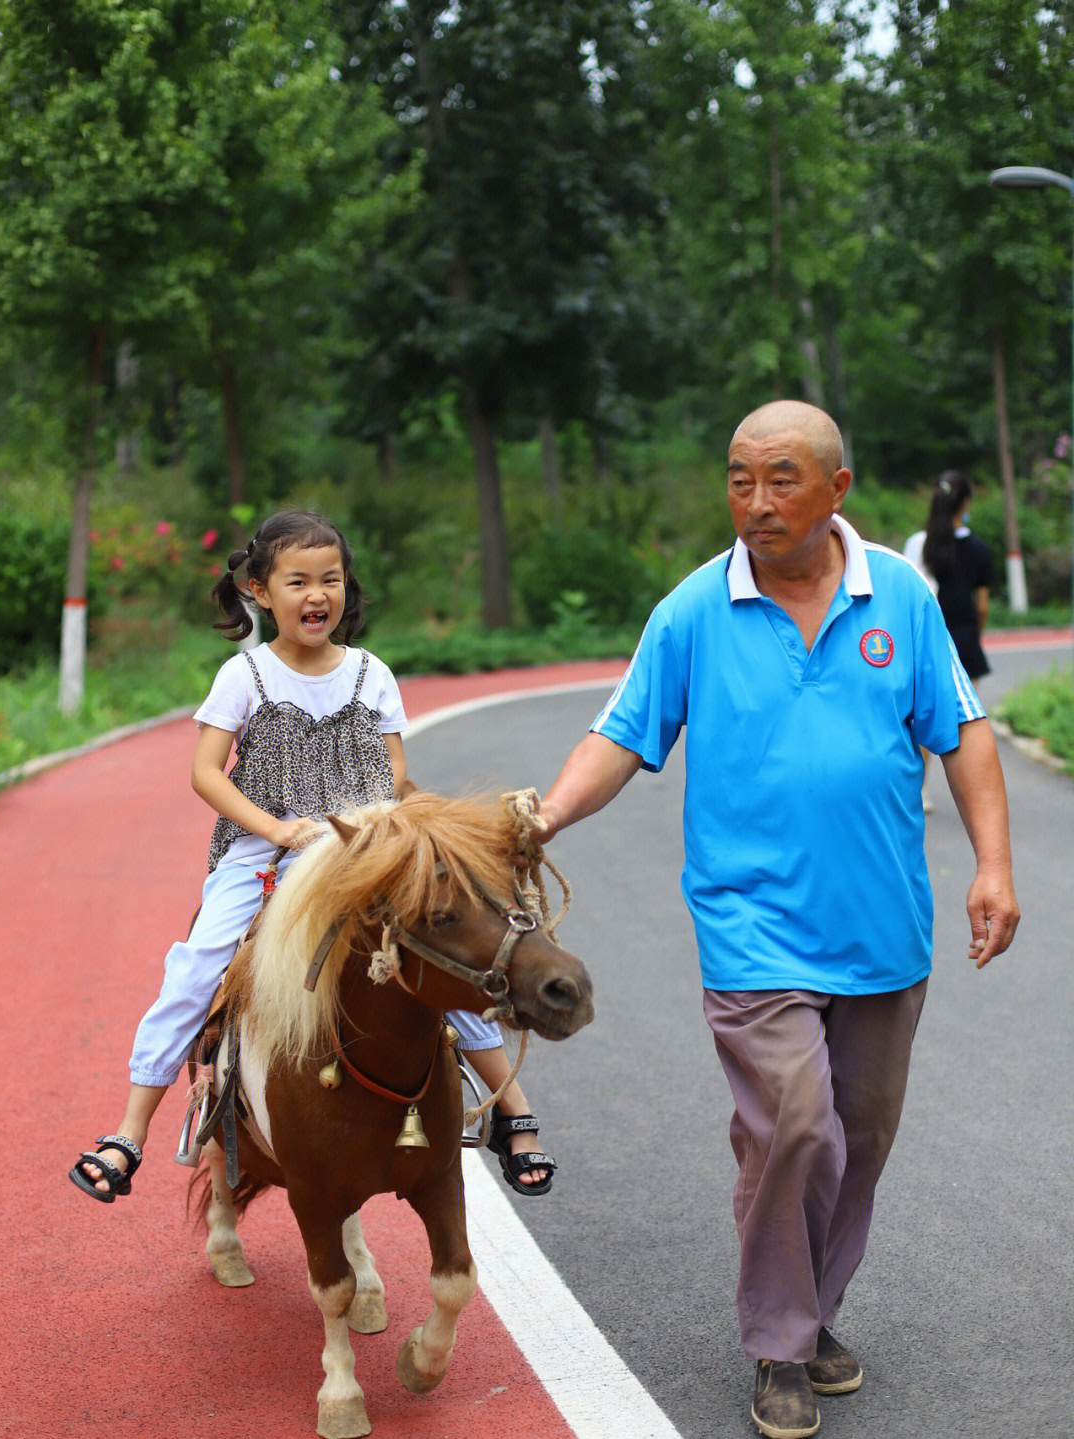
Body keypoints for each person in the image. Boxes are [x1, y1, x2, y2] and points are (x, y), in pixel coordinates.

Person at [535, 402, 1019, 1438]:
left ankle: (812, 1312)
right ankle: (780, 1343)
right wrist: (540, 817)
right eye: (740, 478)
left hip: (886, 925)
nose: (756, 502)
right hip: (751, 923)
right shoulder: (694, 610)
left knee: (860, 1136)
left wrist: (993, 865)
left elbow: (964, 733)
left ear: (836, 488)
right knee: (795, 1121)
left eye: (782, 479)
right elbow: (621, 735)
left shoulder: (897, 591)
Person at [69, 509, 553, 1203]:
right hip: (265, 851)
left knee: (446, 952)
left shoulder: (371, 673)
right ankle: (130, 1129)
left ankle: (512, 1110)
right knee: (198, 966)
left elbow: (396, 778)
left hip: (367, 852)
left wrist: (446, 830)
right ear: (261, 592)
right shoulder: (246, 676)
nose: (317, 593)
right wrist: (277, 827)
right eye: (298, 580)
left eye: (331, 578)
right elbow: (206, 773)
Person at [903, 472, 995, 811]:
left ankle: (919, 792)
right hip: (965, 636)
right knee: (966, 725)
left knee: (924, 719)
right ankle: (972, 799)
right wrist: (975, 633)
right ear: (966, 503)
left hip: (928, 637)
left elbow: (911, 595)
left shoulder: (918, 543)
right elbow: (982, 604)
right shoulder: (979, 548)